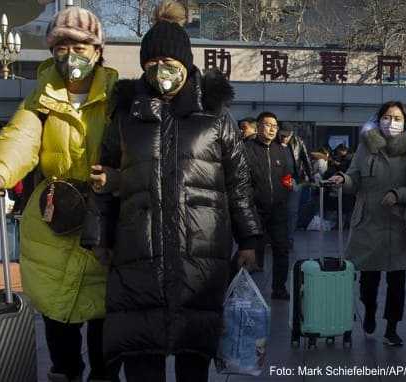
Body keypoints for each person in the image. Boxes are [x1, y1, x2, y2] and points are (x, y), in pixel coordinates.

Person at [88, 2, 261, 381]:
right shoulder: (125, 116)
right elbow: (103, 179)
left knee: (192, 354)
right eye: (152, 64)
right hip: (139, 254)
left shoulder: (215, 116)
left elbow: (238, 183)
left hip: (199, 254)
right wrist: (99, 238)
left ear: (187, 62)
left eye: (170, 63)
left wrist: (249, 238)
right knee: (141, 353)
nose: (161, 72)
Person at [0, 5, 117, 381]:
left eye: (80, 47)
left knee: (106, 316)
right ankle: (65, 373)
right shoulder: (40, 99)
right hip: (54, 219)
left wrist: (117, 178)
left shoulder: (118, 97)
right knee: (57, 312)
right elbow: (21, 137)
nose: (70, 56)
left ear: (98, 50)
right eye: (61, 47)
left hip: (105, 220)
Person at [329, 101, 406, 347]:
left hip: (398, 224)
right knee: (369, 280)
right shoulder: (366, 146)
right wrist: (343, 179)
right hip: (369, 221)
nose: (392, 122)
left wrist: (397, 194)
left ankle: (392, 328)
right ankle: (369, 310)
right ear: (378, 119)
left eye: (397, 118)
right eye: (387, 117)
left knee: (397, 282)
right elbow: (355, 177)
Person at [245, 111, 292, 299]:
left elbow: (288, 177)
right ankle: (249, 290)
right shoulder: (246, 148)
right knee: (253, 251)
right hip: (254, 209)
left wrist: (285, 193)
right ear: (258, 126)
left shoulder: (281, 150)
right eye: (268, 125)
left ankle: (279, 288)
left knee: (281, 248)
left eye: (275, 126)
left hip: (278, 210)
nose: (272, 129)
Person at [277, 125, 312, 248]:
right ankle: (278, 237)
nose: (284, 138)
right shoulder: (273, 142)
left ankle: (289, 238)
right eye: (282, 135)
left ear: (292, 134)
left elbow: (306, 159)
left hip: (294, 180)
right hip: (278, 181)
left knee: (292, 211)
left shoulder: (298, 142)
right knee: (278, 210)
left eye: (287, 136)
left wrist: (311, 177)